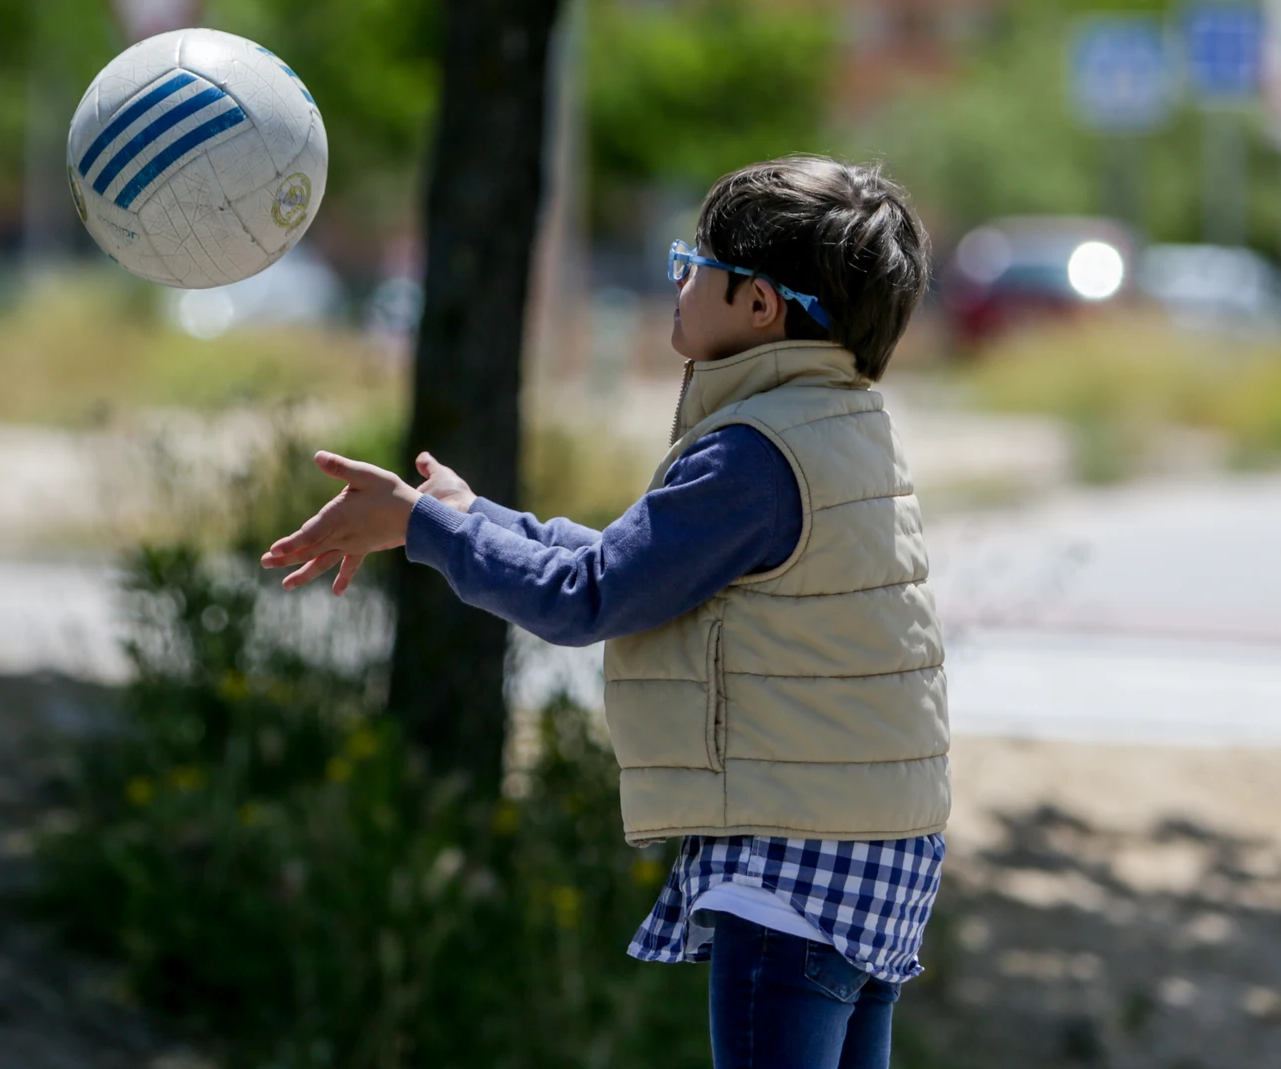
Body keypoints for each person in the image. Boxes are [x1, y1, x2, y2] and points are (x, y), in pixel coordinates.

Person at [261, 155, 946, 1069]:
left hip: (794, 869)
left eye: (693, 260)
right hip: (879, 849)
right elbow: (635, 566)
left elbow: (588, 599)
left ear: (760, 305)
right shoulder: (839, 423)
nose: (678, 278)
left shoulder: (753, 454)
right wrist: (470, 518)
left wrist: (422, 530)